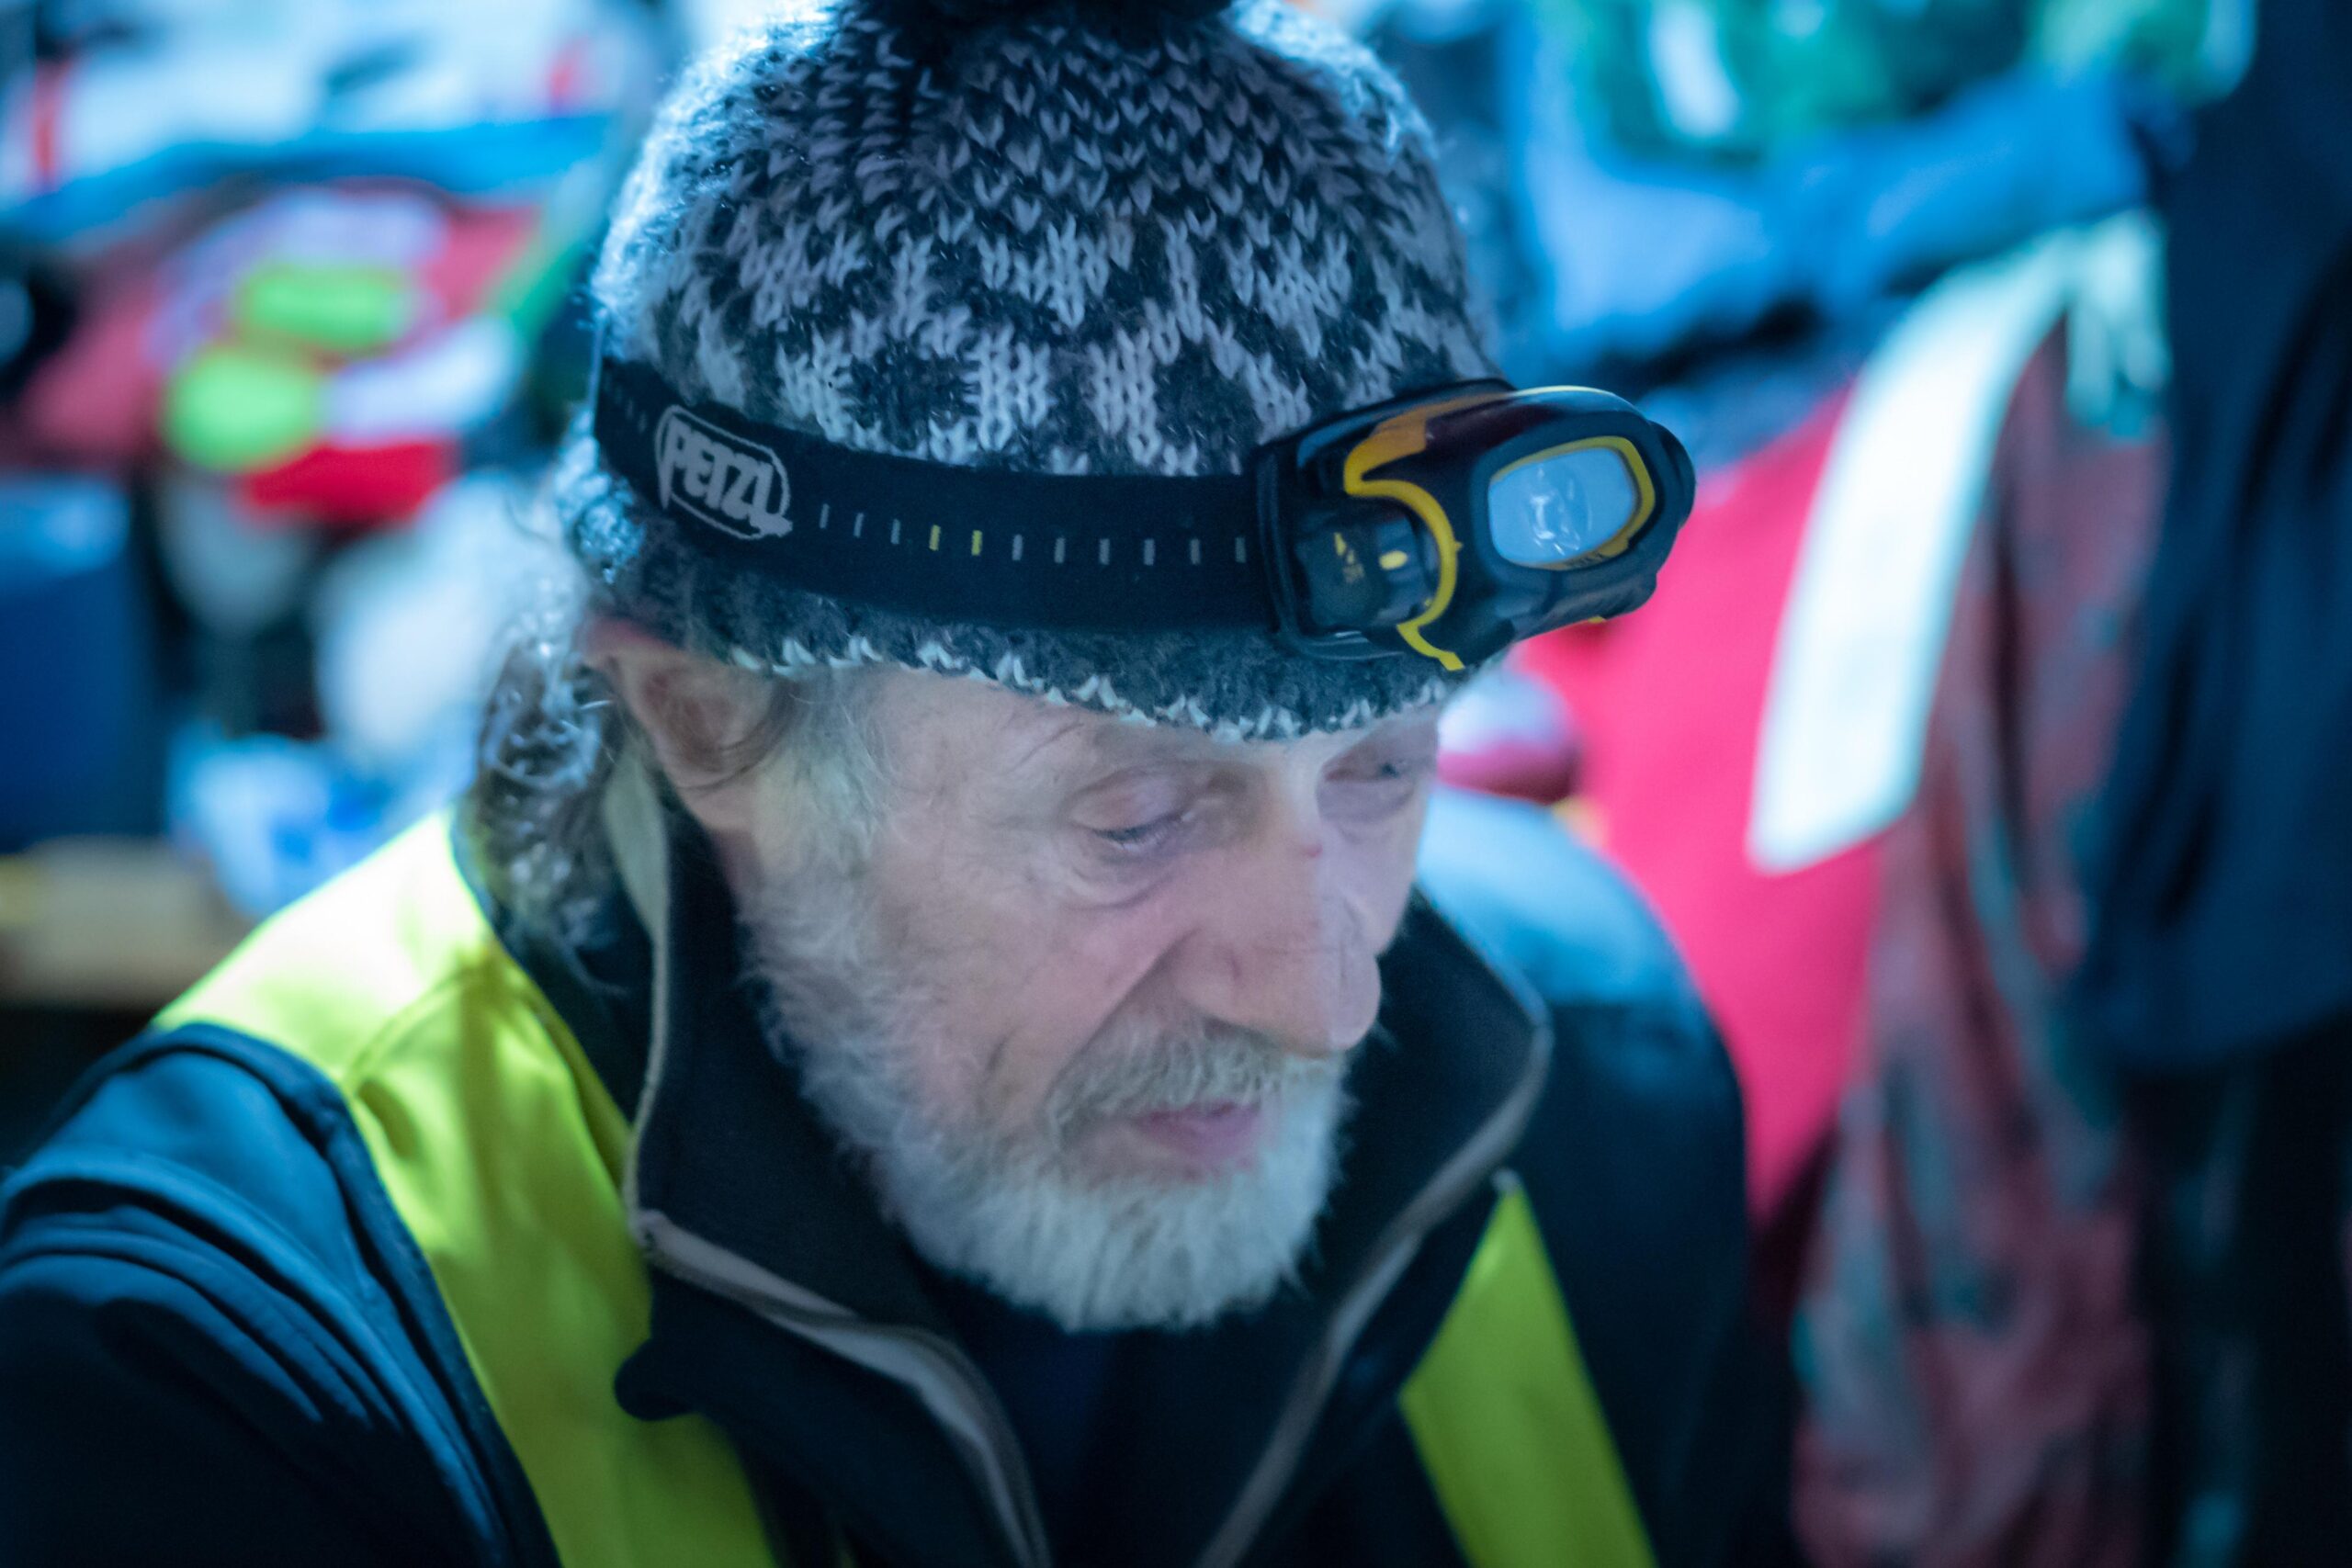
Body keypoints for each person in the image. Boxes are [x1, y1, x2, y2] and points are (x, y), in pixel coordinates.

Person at [0, 0, 1785, 1562]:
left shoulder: (1592, 1086)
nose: (1327, 994)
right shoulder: (225, 1363)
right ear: (710, 727)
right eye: (1134, 814)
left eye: (1384, 762)